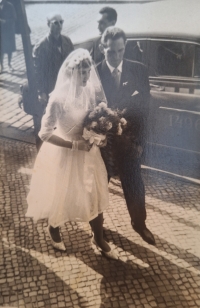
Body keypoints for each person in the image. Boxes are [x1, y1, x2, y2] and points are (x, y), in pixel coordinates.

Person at [26, 49, 118, 260]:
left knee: (94, 193)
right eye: (82, 73)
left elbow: (95, 119)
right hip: (65, 152)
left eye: (88, 72)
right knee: (62, 194)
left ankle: (98, 237)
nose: (86, 77)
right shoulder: (58, 99)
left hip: (89, 151)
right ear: (71, 73)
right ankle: (54, 229)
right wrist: (75, 146)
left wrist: (100, 136)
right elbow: (44, 133)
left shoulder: (89, 91)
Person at [97, 27, 155, 245]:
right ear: (103, 48)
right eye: (111, 51)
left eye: (120, 50)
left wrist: (139, 143)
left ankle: (139, 225)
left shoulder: (138, 70)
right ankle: (97, 228)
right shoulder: (95, 72)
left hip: (128, 143)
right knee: (99, 185)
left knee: (134, 185)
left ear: (125, 47)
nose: (116, 55)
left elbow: (144, 111)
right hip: (102, 145)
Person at [32, 13, 74, 151]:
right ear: (48, 24)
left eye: (61, 22)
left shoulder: (67, 42)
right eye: (55, 23)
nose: (59, 25)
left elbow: (73, 65)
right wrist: (41, 92)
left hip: (65, 90)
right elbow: (37, 73)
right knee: (45, 126)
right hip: (48, 92)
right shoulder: (41, 47)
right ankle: (42, 155)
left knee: (63, 124)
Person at [0, 0, 16, 73]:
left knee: (9, 49)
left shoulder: (10, 6)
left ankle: (9, 64)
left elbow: (14, 18)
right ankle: (1, 66)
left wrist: (5, 21)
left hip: (8, 31)